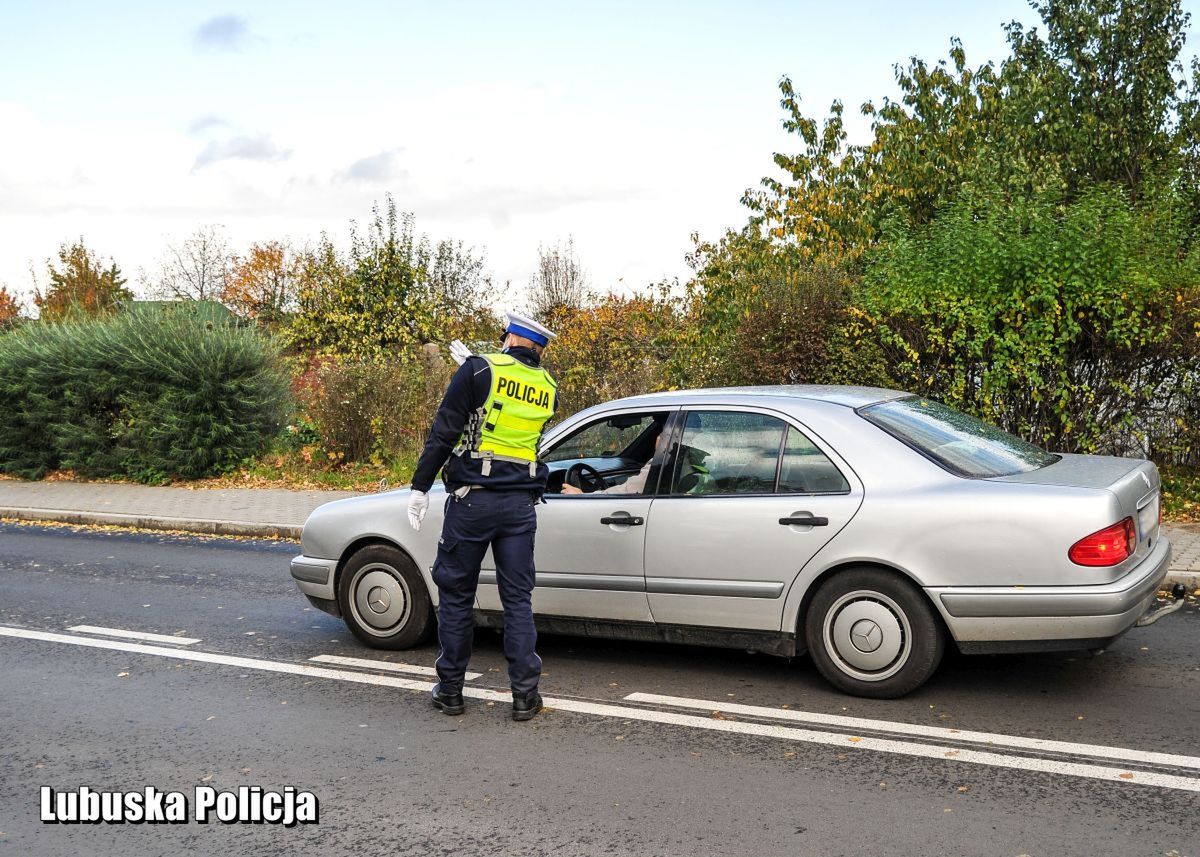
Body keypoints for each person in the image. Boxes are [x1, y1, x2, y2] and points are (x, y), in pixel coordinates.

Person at [406, 312, 558, 722]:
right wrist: (475, 371)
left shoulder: (479, 370)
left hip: (473, 501)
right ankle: (525, 696)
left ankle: (451, 691)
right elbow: (508, 414)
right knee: (517, 601)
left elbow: (445, 432)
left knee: (456, 595)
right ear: (539, 347)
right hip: (520, 507)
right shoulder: (548, 387)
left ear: (509, 337)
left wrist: (420, 487)